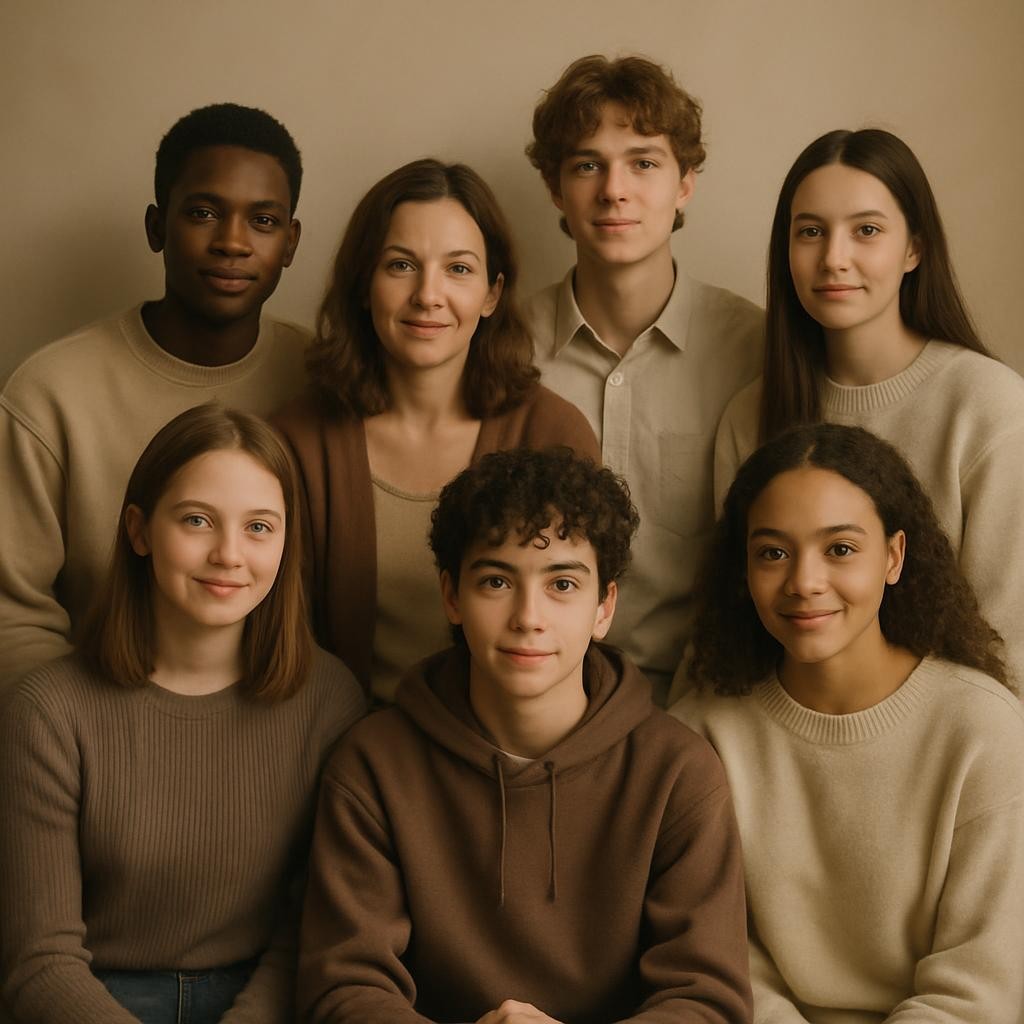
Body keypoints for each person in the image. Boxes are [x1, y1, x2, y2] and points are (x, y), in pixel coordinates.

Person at [297, 446, 753, 1023]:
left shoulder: (677, 772)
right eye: (495, 581)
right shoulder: (373, 765)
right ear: (451, 596)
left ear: (604, 607)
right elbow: (341, 989)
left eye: (562, 585)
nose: (528, 616)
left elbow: (706, 1000)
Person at [0, 404, 365, 1023]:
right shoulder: (48, 712)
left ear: (286, 542)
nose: (228, 553)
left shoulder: (329, 701)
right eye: (197, 520)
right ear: (139, 532)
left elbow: (309, 929)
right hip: (90, 1000)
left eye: (258, 527)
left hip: (268, 1002)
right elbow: (39, 963)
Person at [671, 423, 1024, 1021]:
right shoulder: (700, 733)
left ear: (894, 556)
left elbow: (982, 988)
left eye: (840, 549)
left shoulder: (981, 730)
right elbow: (719, 961)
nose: (804, 582)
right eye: (773, 552)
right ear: (745, 568)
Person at [0, 102, 308, 689]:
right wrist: (101, 731)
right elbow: (12, 612)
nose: (233, 243)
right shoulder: (51, 392)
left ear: (291, 242)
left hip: (278, 716)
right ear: (156, 226)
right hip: (92, 726)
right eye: (202, 213)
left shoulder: (323, 379)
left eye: (263, 221)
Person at [273, 159, 598, 703]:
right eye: (401, 265)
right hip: (330, 747)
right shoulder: (297, 440)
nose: (428, 294)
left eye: (459, 269)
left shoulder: (553, 433)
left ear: (493, 294)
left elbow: (576, 632)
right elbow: (277, 642)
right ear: (362, 285)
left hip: (501, 752)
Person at [712, 128, 1024, 690]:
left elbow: (1010, 642)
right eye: (810, 232)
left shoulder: (988, 406)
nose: (834, 258)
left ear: (914, 248)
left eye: (867, 231)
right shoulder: (749, 414)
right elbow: (732, 623)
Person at [523, 54, 763, 704]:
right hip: (536, 700)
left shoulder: (756, 351)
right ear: (554, 188)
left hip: (709, 703)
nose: (614, 190)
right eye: (586, 165)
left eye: (643, 162)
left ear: (685, 182)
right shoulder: (503, 347)